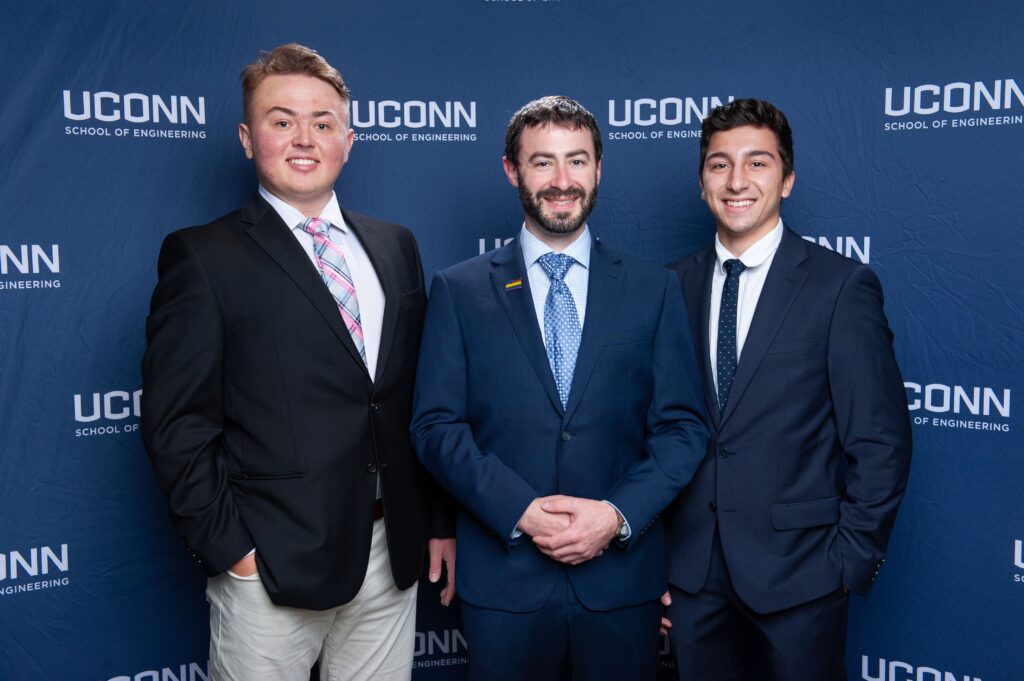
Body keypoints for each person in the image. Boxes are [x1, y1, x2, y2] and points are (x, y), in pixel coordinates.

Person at [140, 43, 454, 681]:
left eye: (322, 122)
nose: (304, 138)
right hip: (272, 564)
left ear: (349, 141)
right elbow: (177, 424)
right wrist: (236, 554)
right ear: (247, 139)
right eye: (281, 120)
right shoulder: (202, 256)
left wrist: (434, 523)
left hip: (389, 555)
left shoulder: (395, 246)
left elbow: (416, 400)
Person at [411, 95, 708, 680]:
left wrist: (615, 515)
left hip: (621, 582)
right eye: (543, 162)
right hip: (504, 582)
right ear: (512, 169)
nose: (562, 181)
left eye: (577, 160)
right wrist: (519, 510)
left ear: (598, 169)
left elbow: (683, 429)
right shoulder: (458, 291)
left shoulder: (653, 289)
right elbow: (435, 427)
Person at [663, 98, 913, 680]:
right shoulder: (669, 287)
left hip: (804, 579)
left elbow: (881, 442)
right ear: (702, 182)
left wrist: (845, 565)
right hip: (693, 581)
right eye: (720, 164)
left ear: (788, 179)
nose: (737, 181)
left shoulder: (840, 287)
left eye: (758, 163)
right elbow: (655, 433)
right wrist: (658, 566)